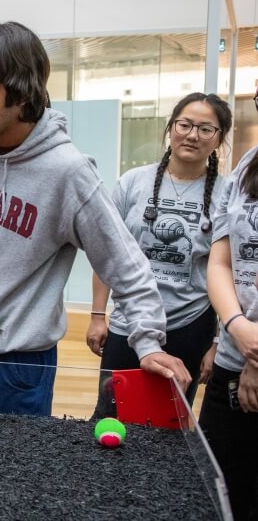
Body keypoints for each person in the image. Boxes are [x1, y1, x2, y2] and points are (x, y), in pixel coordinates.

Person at [0, 21, 190, 416]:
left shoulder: (69, 172)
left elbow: (125, 266)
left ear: (22, 92)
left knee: (18, 474)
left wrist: (147, 342)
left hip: (20, 364)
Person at [87, 93, 232, 417]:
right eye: (185, 124)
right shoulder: (132, 183)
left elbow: (228, 270)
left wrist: (217, 342)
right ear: (171, 128)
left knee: (169, 421)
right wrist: (98, 315)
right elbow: (107, 253)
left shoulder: (226, 194)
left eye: (206, 129)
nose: (193, 135)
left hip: (190, 325)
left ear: (219, 139)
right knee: (110, 416)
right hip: (129, 321)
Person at [201, 86, 258, 520]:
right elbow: (220, 261)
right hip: (232, 357)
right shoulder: (244, 166)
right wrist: (237, 329)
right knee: (217, 485)